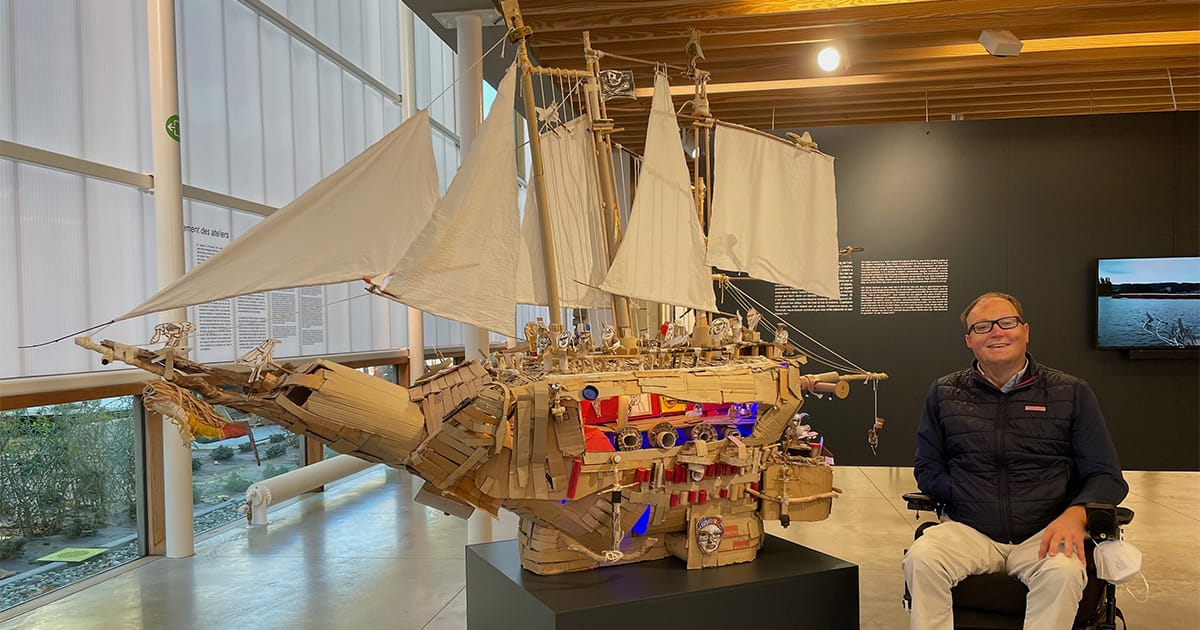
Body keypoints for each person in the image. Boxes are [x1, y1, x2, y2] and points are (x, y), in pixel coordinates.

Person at [903, 292, 1128, 629]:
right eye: (982, 327)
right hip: (969, 529)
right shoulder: (944, 393)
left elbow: (1106, 475)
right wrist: (965, 492)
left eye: (1006, 322)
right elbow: (927, 468)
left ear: (1025, 331)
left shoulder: (1071, 392)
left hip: (1045, 531)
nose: (996, 332)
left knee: (1063, 573)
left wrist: (1077, 514)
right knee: (922, 559)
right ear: (969, 340)